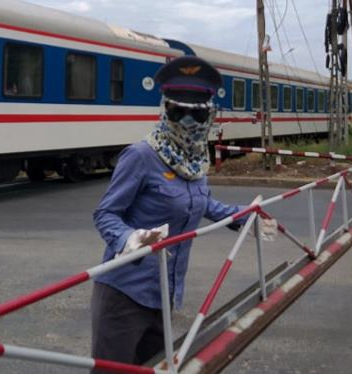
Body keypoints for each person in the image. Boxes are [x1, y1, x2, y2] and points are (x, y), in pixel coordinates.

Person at [91, 55, 274, 369]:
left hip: (164, 294)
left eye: (197, 115)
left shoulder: (195, 161)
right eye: (179, 112)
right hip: (124, 294)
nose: (188, 124)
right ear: (165, 109)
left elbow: (204, 204)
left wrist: (245, 217)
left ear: (209, 116)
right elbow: (105, 213)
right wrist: (129, 238)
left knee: (156, 367)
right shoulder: (141, 156)